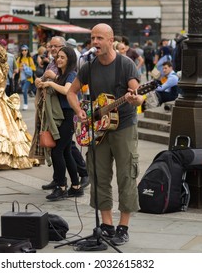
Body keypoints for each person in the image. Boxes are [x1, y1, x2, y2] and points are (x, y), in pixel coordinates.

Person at [67, 23, 144, 246]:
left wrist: (136, 98)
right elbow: (72, 92)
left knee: (126, 174)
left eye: (100, 38)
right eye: (93, 38)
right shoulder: (88, 66)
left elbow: (137, 95)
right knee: (99, 175)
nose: (96, 42)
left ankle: (123, 227)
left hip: (123, 127)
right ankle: (107, 225)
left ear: (111, 41)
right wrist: (79, 110)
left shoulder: (125, 64)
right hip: (97, 128)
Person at [32, 36, 89, 190]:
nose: (58, 59)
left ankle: (63, 185)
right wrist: (41, 81)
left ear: (69, 59)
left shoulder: (71, 74)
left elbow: (67, 90)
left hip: (69, 115)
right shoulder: (61, 73)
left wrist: (51, 82)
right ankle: (74, 185)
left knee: (59, 151)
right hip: (59, 115)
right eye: (57, 57)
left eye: (62, 57)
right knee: (64, 151)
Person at [16, 44, 36, 110]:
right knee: (23, 90)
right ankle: (25, 102)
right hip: (21, 78)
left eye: (25, 50)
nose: (24, 51)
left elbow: (34, 68)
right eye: (22, 50)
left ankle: (25, 104)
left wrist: (26, 67)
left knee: (24, 90)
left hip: (28, 78)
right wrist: (20, 68)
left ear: (27, 51)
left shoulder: (30, 59)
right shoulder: (19, 59)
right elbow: (16, 67)